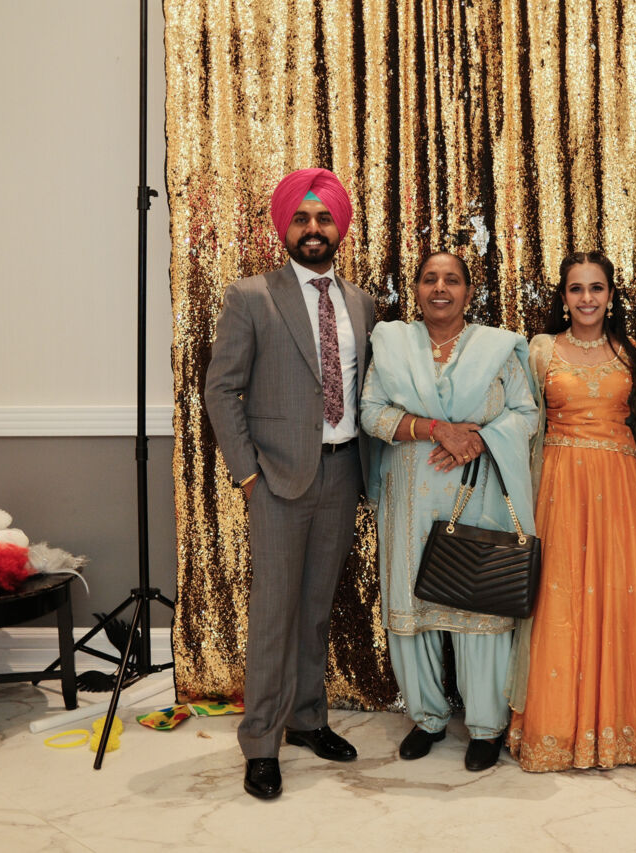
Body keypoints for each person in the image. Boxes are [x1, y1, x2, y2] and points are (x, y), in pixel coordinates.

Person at [204, 168, 376, 800]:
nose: (312, 228)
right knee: (275, 613)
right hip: (276, 479)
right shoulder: (251, 296)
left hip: (343, 471)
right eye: (301, 218)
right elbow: (221, 389)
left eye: (323, 217)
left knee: (315, 608)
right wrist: (248, 473)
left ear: (339, 226)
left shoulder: (360, 303)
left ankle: (306, 719)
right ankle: (260, 742)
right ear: (285, 227)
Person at [360, 251, 538, 772]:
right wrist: (437, 430)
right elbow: (371, 413)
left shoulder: (497, 348)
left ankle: (485, 727)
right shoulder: (392, 343)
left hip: (478, 492)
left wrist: (478, 440)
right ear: (416, 289)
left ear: (468, 292)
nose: (440, 288)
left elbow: (526, 413)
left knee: (477, 601)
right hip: (409, 496)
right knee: (411, 605)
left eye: (452, 280)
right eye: (430, 279)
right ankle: (428, 719)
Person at [507, 251, 636, 772]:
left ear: (610, 296)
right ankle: (558, 731)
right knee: (560, 599)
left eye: (596, 288)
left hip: (620, 489)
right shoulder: (541, 350)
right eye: (577, 288)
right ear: (563, 297)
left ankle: (626, 728)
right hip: (559, 486)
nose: (587, 298)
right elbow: (522, 420)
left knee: (619, 596)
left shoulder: (630, 353)